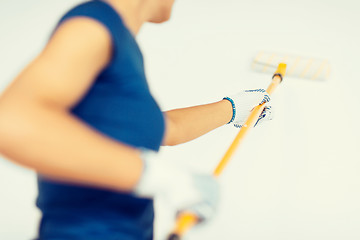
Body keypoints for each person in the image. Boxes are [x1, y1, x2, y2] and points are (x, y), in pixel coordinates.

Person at [0, 0, 273, 239]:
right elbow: (11, 122)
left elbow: (168, 129)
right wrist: (161, 177)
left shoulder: (123, 45)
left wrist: (234, 108)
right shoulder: (93, 25)